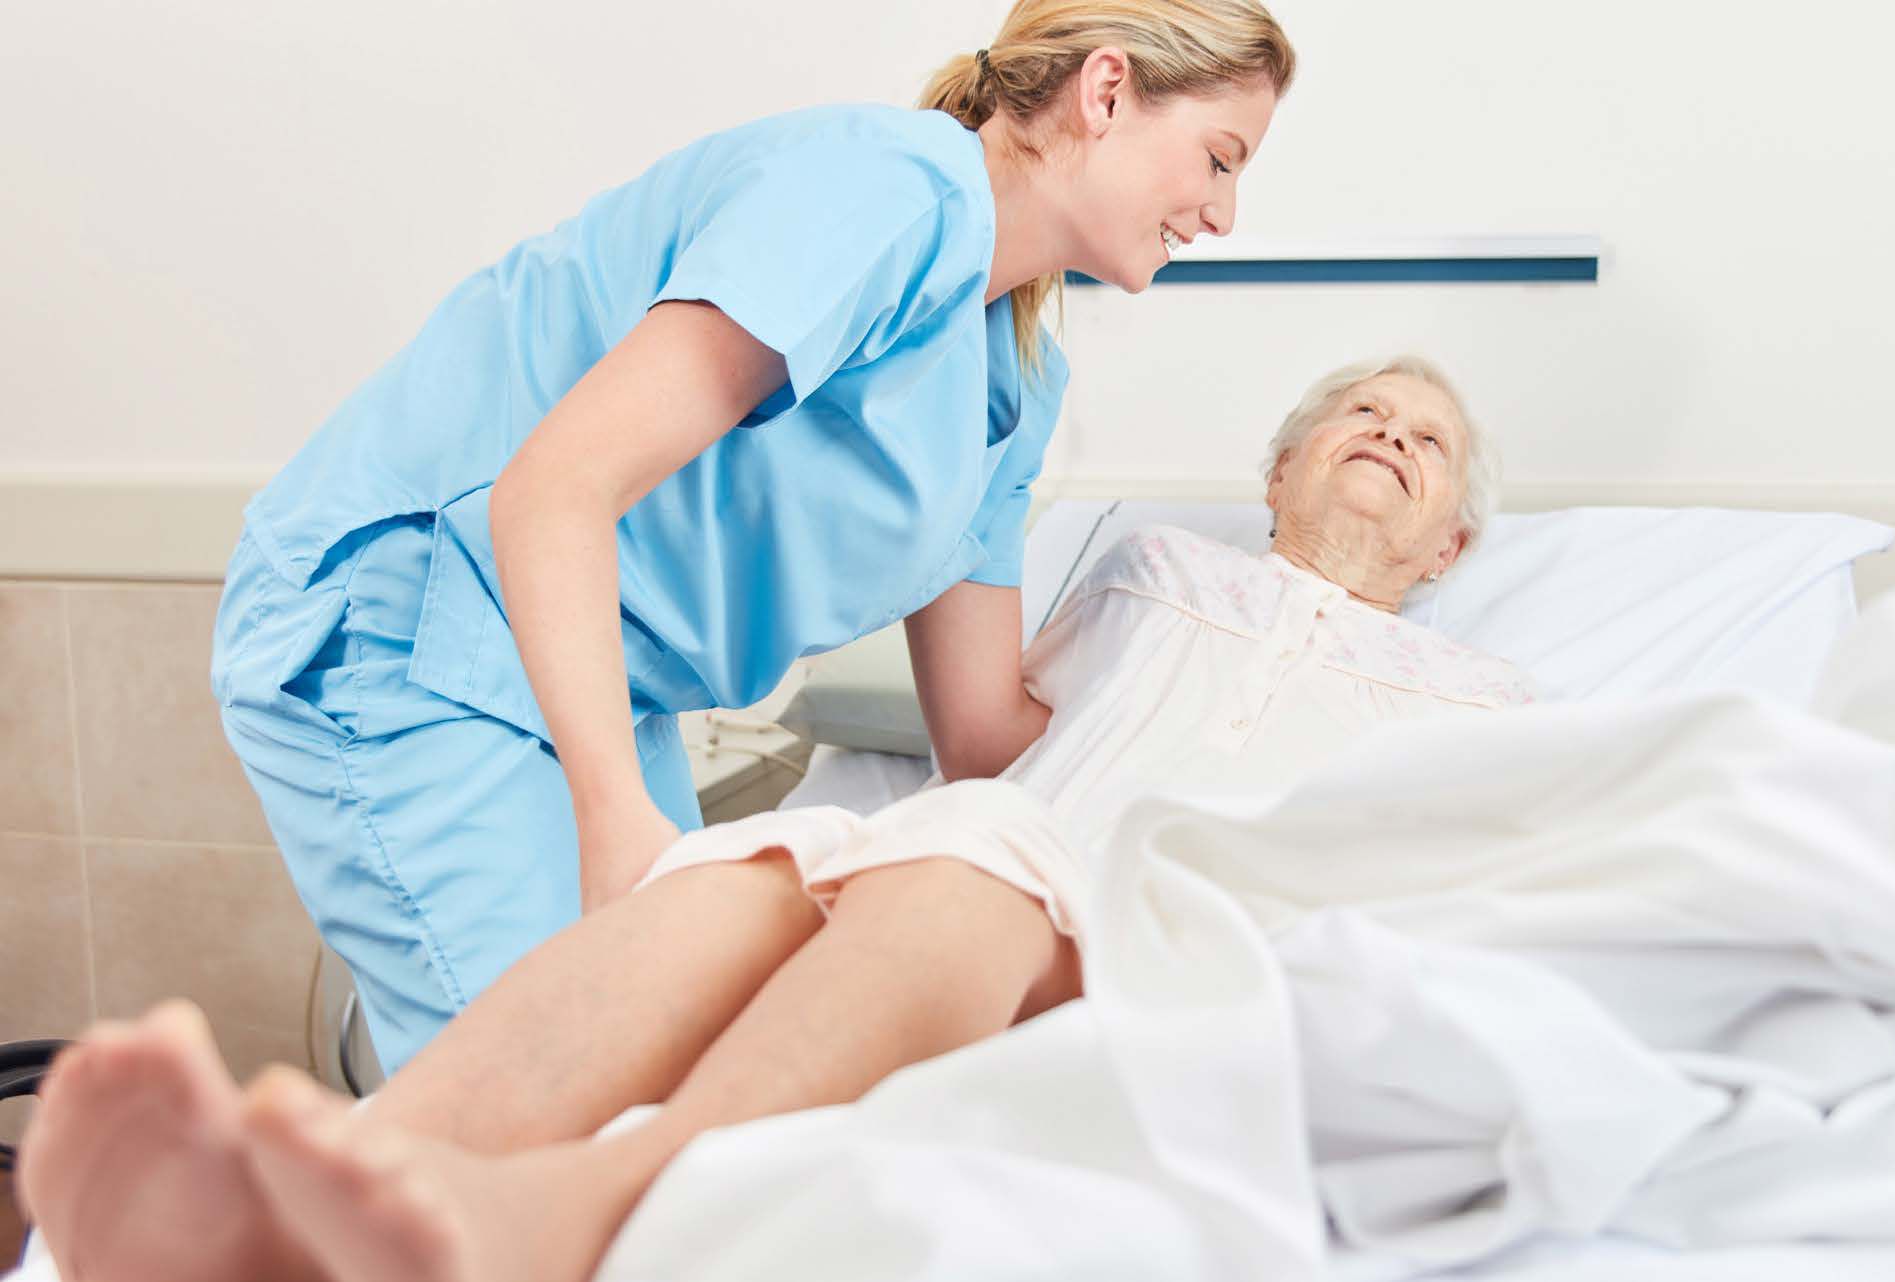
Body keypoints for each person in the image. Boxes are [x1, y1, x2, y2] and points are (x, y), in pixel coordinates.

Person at [21, 354, 1532, 1282]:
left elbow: (1468, 892)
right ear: (1275, 470)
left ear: (1452, 539)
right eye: (1360, 412)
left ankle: (576, 1208)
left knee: (969, 849)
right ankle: (319, 1199)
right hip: (985, 880)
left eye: (1426, 440)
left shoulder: (1479, 702)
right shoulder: (1146, 569)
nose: (1389, 435)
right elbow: (992, 726)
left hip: (1177, 935)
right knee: (757, 857)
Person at [207, 0, 1295, 1076]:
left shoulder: (1013, 383)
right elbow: (556, 486)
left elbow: (980, 732)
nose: (1224, 212)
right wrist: (616, 819)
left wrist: (1230, 743)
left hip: (580, 680)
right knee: (556, 1099)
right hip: (409, 630)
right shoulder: (881, 192)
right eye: (1219, 157)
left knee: (680, 1093)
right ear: (1107, 91)